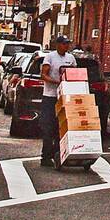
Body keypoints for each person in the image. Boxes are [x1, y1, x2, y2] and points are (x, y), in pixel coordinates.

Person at [39, 33, 77, 167]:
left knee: (60, 127)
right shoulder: (50, 57)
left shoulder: (71, 58)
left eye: (68, 43)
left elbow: (74, 74)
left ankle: (58, 154)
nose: (67, 46)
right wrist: (56, 82)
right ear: (58, 45)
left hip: (65, 97)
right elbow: (43, 75)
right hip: (50, 97)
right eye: (64, 43)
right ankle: (45, 156)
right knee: (48, 127)